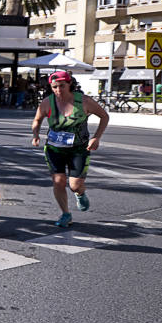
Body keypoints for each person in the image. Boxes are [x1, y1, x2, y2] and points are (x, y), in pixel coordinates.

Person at [31, 70, 109, 228]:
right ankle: (66, 214)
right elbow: (37, 119)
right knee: (58, 182)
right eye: (54, 87)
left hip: (78, 149)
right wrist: (36, 135)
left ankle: (80, 193)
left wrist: (96, 137)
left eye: (62, 86)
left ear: (70, 84)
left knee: (74, 185)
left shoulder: (84, 101)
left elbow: (104, 116)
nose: (58, 90)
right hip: (54, 148)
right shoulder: (47, 102)